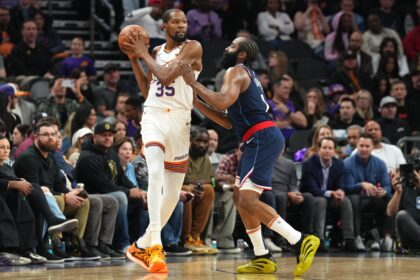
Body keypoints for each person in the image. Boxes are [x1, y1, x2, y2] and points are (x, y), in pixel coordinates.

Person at [177, 36, 319, 276]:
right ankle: (262, 255)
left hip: (262, 137)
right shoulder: (244, 76)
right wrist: (197, 102)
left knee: (249, 200)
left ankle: (299, 239)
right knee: (239, 196)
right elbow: (228, 121)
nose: (226, 47)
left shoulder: (236, 71)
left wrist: (193, 84)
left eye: (232, 45)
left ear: (242, 54)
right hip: (256, 138)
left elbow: (222, 101)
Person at [120, 8, 216, 273]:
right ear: (164, 26)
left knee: (172, 193)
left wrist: (141, 54)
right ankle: (156, 246)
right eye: (175, 21)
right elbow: (147, 88)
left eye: (184, 21)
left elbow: (164, 76)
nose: (181, 24)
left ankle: (141, 244)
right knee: (155, 173)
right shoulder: (155, 52)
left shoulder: (193, 48)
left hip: (180, 122)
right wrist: (133, 59)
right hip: (153, 117)